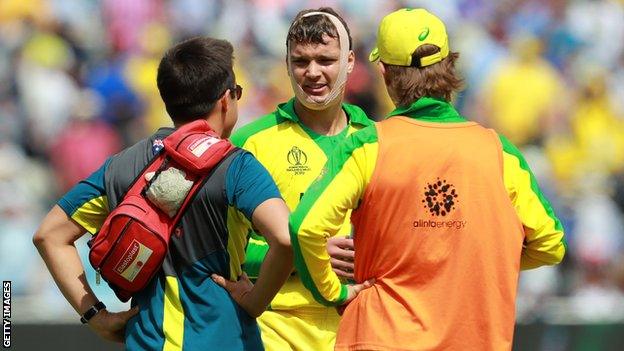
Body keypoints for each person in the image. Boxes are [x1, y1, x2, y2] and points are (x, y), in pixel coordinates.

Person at [290, 8, 566, 351]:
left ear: (385, 73)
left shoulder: (369, 144)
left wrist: (333, 291)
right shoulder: (500, 152)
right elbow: (550, 244)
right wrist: (466, 263)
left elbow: (306, 228)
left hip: (381, 338)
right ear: (450, 64)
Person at [33, 37, 293, 351]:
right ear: (226, 99)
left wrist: (95, 316)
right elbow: (286, 237)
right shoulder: (236, 167)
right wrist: (255, 301)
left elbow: (49, 235)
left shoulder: (121, 166)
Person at [228, 7, 374, 351]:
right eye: (300, 61)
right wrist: (304, 254)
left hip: (361, 325)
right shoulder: (249, 144)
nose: (312, 72)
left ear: (350, 61)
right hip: (275, 327)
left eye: (325, 60)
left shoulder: (379, 141)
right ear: (287, 64)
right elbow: (223, 253)